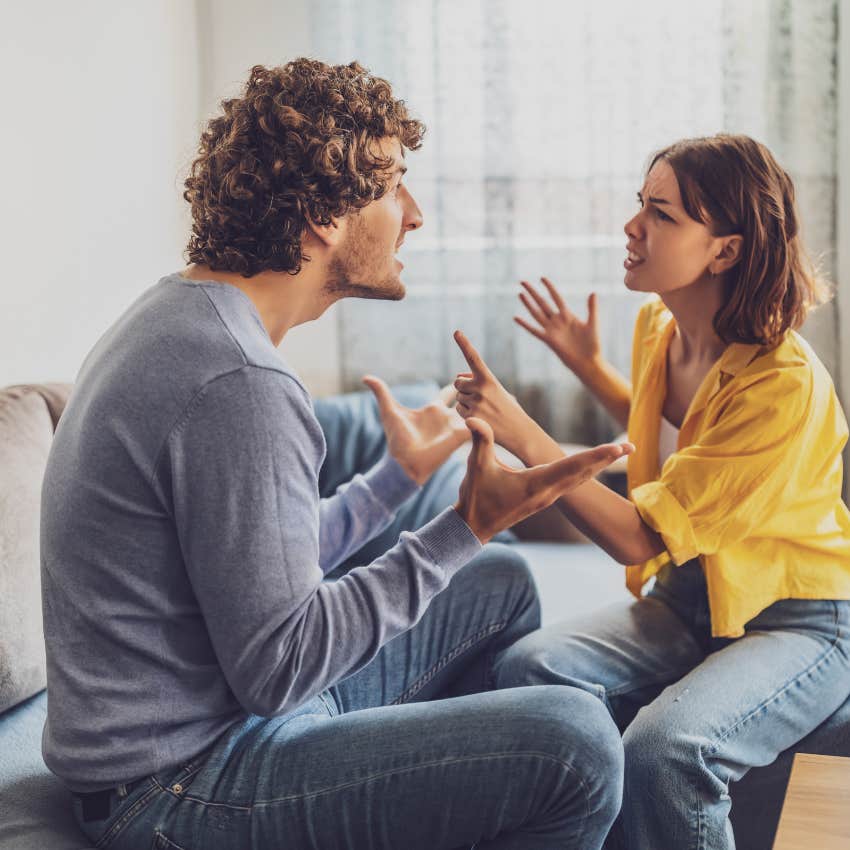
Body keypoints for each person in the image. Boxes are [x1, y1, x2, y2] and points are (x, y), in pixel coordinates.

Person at [40, 59, 631, 850]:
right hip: (176, 786)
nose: (414, 214)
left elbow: (251, 567)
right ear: (323, 214)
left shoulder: (181, 315)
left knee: (499, 584)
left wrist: (396, 482)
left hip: (213, 728)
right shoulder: (238, 380)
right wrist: (466, 524)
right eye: (393, 187)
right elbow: (280, 666)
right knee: (577, 744)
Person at [453, 133, 850, 849]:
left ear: (724, 250)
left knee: (666, 750)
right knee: (528, 669)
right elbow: (676, 436)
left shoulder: (782, 386)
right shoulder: (658, 327)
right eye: (642, 205)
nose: (632, 227)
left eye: (661, 215)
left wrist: (524, 432)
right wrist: (589, 366)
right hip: (687, 597)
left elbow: (641, 534)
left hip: (797, 618)